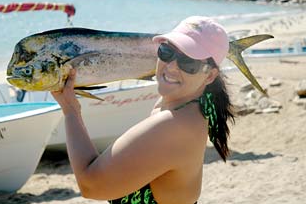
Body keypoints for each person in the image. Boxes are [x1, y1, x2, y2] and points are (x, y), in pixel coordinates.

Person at [51, 16, 235, 204]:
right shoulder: (189, 105)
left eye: (189, 63)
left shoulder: (172, 126)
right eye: (167, 52)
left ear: (210, 75)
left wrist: (71, 110)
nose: (171, 66)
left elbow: (90, 186)